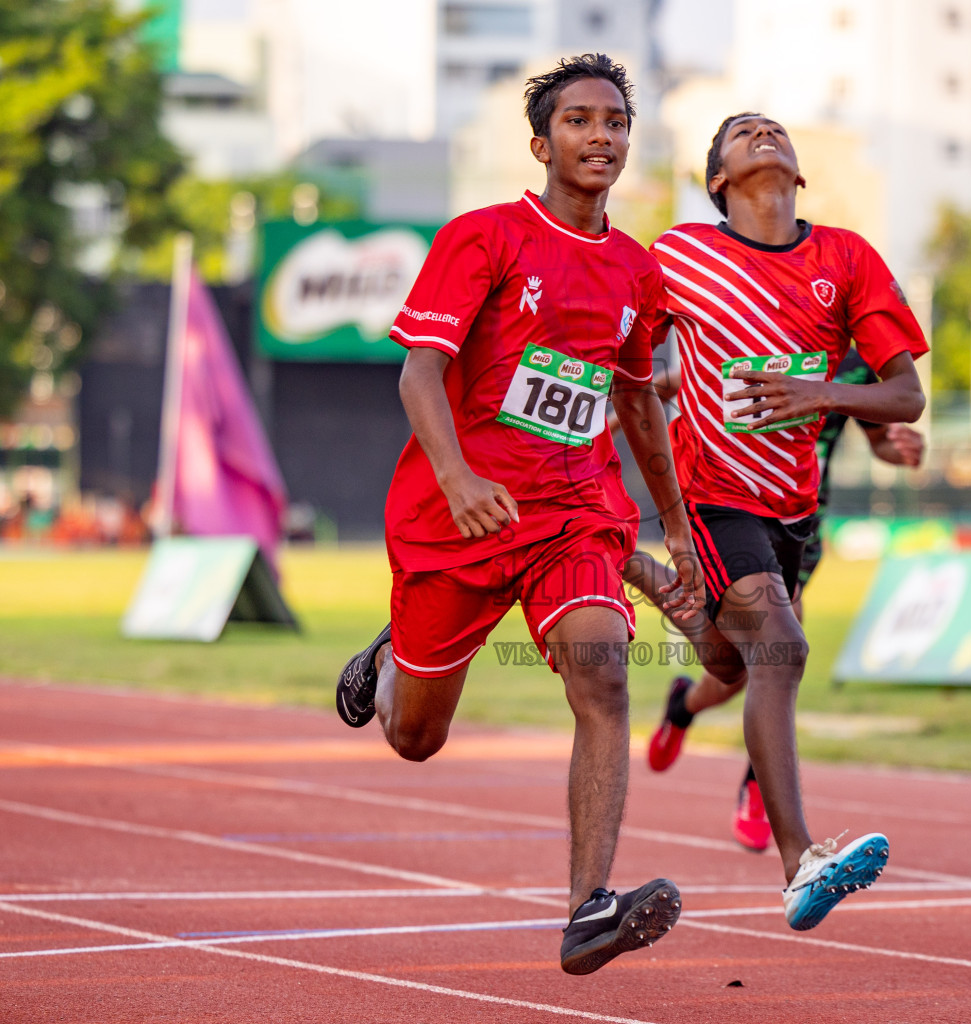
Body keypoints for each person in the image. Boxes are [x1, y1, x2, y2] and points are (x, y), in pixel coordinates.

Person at [332, 54, 704, 974]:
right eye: (580, 121)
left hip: (574, 515)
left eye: (616, 122)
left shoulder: (636, 270)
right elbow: (420, 369)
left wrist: (677, 526)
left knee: (605, 673)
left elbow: (636, 408)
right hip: (456, 517)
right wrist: (458, 479)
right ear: (542, 143)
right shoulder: (484, 237)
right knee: (417, 739)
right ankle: (390, 653)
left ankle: (587, 910)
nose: (602, 137)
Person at [622, 112, 929, 930]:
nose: (762, 132)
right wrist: (655, 386)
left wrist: (825, 395)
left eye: (774, 128)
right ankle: (799, 865)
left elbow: (904, 393)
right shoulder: (678, 255)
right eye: (741, 131)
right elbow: (624, 360)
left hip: (795, 504)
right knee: (780, 650)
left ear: (799, 171)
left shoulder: (848, 258)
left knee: (731, 662)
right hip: (711, 492)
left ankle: (640, 568)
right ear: (717, 178)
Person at [636, 354, 925, 853]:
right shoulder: (759, 321)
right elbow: (656, 382)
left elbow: (881, 438)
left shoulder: (856, 360)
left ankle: (699, 722)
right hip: (729, 508)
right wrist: (606, 419)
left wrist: (902, 449)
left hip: (803, 520)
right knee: (761, 656)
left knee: (750, 666)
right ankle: (746, 774)